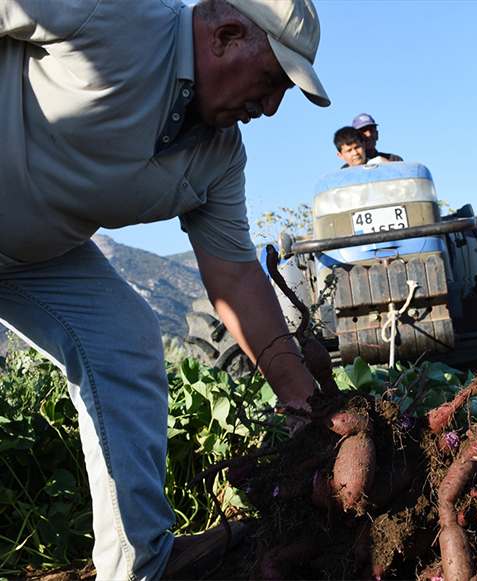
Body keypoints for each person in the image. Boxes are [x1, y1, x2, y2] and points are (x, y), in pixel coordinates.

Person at [0, 0, 329, 579]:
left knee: (124, 338)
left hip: (30, 256)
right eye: (273, 81)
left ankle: (137, 567)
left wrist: (306, 404)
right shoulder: (110, 17)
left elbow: (233, 274)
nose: (271, 108)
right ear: (226, 35)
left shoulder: (220, 156)